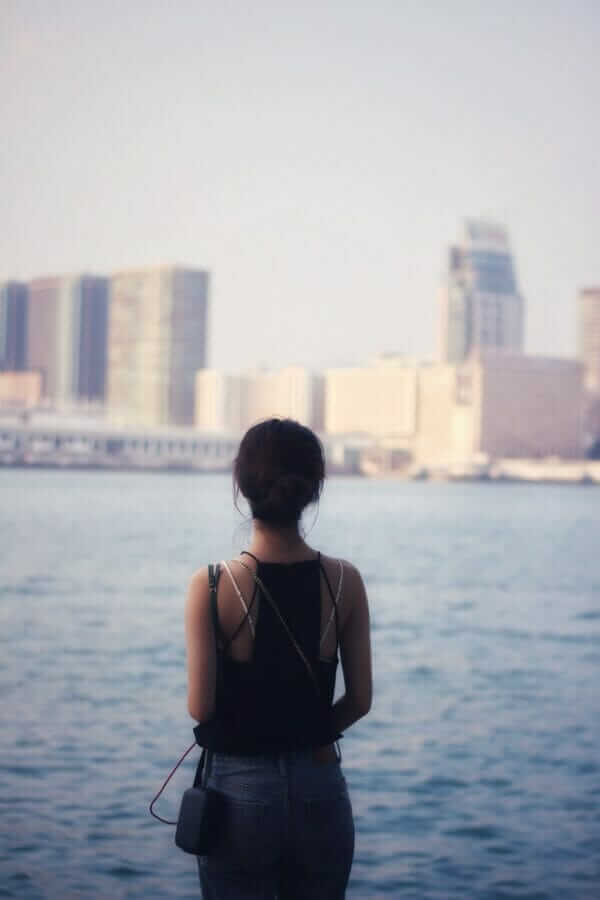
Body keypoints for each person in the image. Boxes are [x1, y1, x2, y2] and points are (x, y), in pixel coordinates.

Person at [185, 418, 372, 899]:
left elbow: (201, 710)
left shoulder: (212, 585)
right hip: (320, 784)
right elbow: (360, 700)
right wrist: (307, 734)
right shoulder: (345, 581)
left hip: (238, 792)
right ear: (316, 487)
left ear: (240, 485)